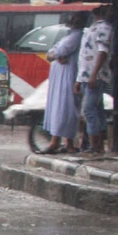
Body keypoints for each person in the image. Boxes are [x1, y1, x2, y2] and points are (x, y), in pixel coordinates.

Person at [44, 12, 86, 153]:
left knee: (66, 108)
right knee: (60, 108)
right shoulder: (68, 35)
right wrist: (55, 55)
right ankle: (63, 142)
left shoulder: (77, 36)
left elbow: (59, 51)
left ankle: (61, 142)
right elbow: (52, 52)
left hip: (68, 77)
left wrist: (56, 55)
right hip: (60, 77)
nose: (73, 19)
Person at [74, 4, 114, 155]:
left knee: (89, 110)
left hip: (94, 77)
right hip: (86, 76)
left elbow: (103, 52)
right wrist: (79, 79)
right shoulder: (91, 28)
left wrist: (94, 74)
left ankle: (94, 147)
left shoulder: (104, 28)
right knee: (97, 110)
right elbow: (84, 56)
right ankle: (98, 146)